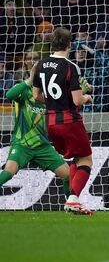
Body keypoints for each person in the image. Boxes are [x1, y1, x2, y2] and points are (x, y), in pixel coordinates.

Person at [32, 27, 94, 214]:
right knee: (86, 160)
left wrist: (54, 102)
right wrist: (87, 97)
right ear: (69, 44)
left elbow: (36, 96)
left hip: (50, 122)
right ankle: (73, 199)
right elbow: (77, 100)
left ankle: (70, 199)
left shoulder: (41, 65)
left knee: (76, 158)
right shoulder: (70, 66)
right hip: (69, 121)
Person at [1, 63, 73, 209]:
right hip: (22, 143)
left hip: (43, 146)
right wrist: (29, 79)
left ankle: (71, 205)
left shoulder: (52, 96)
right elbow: (9, 95)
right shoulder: (25, 90)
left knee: (68, 175)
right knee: (8, 172)